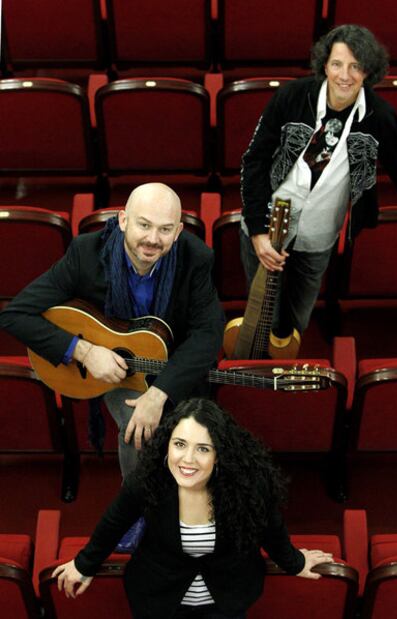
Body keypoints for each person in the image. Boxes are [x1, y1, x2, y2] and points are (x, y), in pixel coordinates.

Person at [0, 183, 224, 479]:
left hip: (172, 365)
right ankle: (137, 510)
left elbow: (208, 333)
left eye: (165, 229)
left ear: (179, 230)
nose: (153, 239)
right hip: (117, 369)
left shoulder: (196, 258)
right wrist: (85, 351)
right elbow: (15, 314)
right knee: (139, 428)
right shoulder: (86, 254)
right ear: (123, 220)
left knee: (198, 435)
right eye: (144, 225)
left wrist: (158, 395)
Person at [51, 398, 334, 619]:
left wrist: (295, 563)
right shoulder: (147, 480)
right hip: (159, 602)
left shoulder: (249, 485)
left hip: (225, 601)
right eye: (180, 444)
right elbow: (114, 522)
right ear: (167, 446)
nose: (187, 460)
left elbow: (271, 529)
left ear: (220, 454)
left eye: (203, 448)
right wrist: (83, 564)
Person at [240, 24, 397, 340]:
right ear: (325, 65)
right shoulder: (291, 97)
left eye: (355, 66)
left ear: (368, 71)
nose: (344, 75)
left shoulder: (380, 116)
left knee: (296, 323)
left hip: (318, 235)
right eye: (337, 64)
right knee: (261, 321)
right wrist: (256, 231)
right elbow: (254, 161)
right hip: (267, 225)